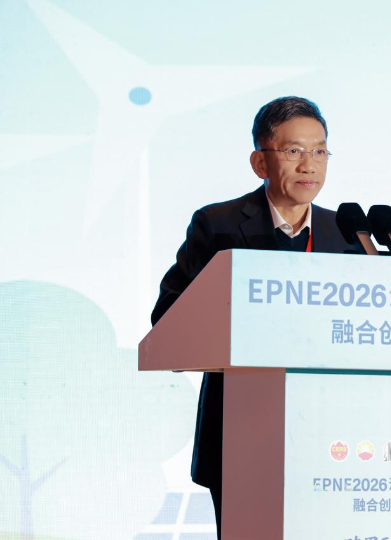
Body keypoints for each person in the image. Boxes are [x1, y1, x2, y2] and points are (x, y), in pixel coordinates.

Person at [150, 96, 351, 538]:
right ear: (260, 162)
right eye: (294, 150)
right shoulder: (218, 225)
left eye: (320, 151)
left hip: (330, 439)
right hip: (240, 433)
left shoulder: (347, 234)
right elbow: (168, 319)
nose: (309, 165)